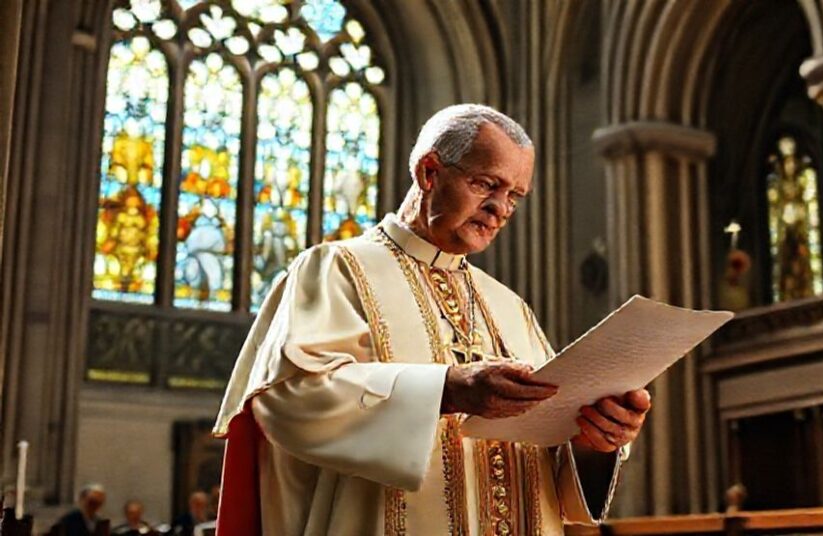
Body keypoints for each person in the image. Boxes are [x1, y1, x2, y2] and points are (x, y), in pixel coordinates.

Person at [214, 104, 651, 535]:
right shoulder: (337, 268)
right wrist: (446, 390)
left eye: (514, 196)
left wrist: (595, 439)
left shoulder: (510, 306)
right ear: (429, 172)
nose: (500, 208)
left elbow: (551, 456)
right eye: (486, 184)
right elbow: (288, 401)